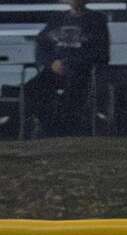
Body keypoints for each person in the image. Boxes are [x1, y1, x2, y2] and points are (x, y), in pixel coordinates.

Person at [23, 0, 110, 137]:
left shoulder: (97, 19)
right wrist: (51, 63)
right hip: (55, 70)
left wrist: (73, 63)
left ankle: (65, 130)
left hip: (82, 72)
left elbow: (102, 53)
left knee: (72, 95)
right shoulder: (57, 18)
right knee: (31, 89)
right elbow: (41, 45)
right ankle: (47, 126)